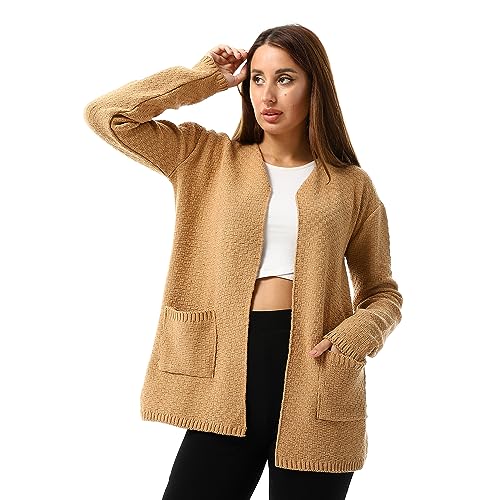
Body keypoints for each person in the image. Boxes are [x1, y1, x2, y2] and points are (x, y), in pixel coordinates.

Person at [84, 24, 403, 500]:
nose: (267, 95)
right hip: (226, 373)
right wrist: (204, 78)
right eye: (257, 78)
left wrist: (358, 335)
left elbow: (382, 291)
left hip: (319, 375)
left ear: (315, 85)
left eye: (285, 79)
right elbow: (107, 116)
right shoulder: (205, 157)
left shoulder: (351, 185)